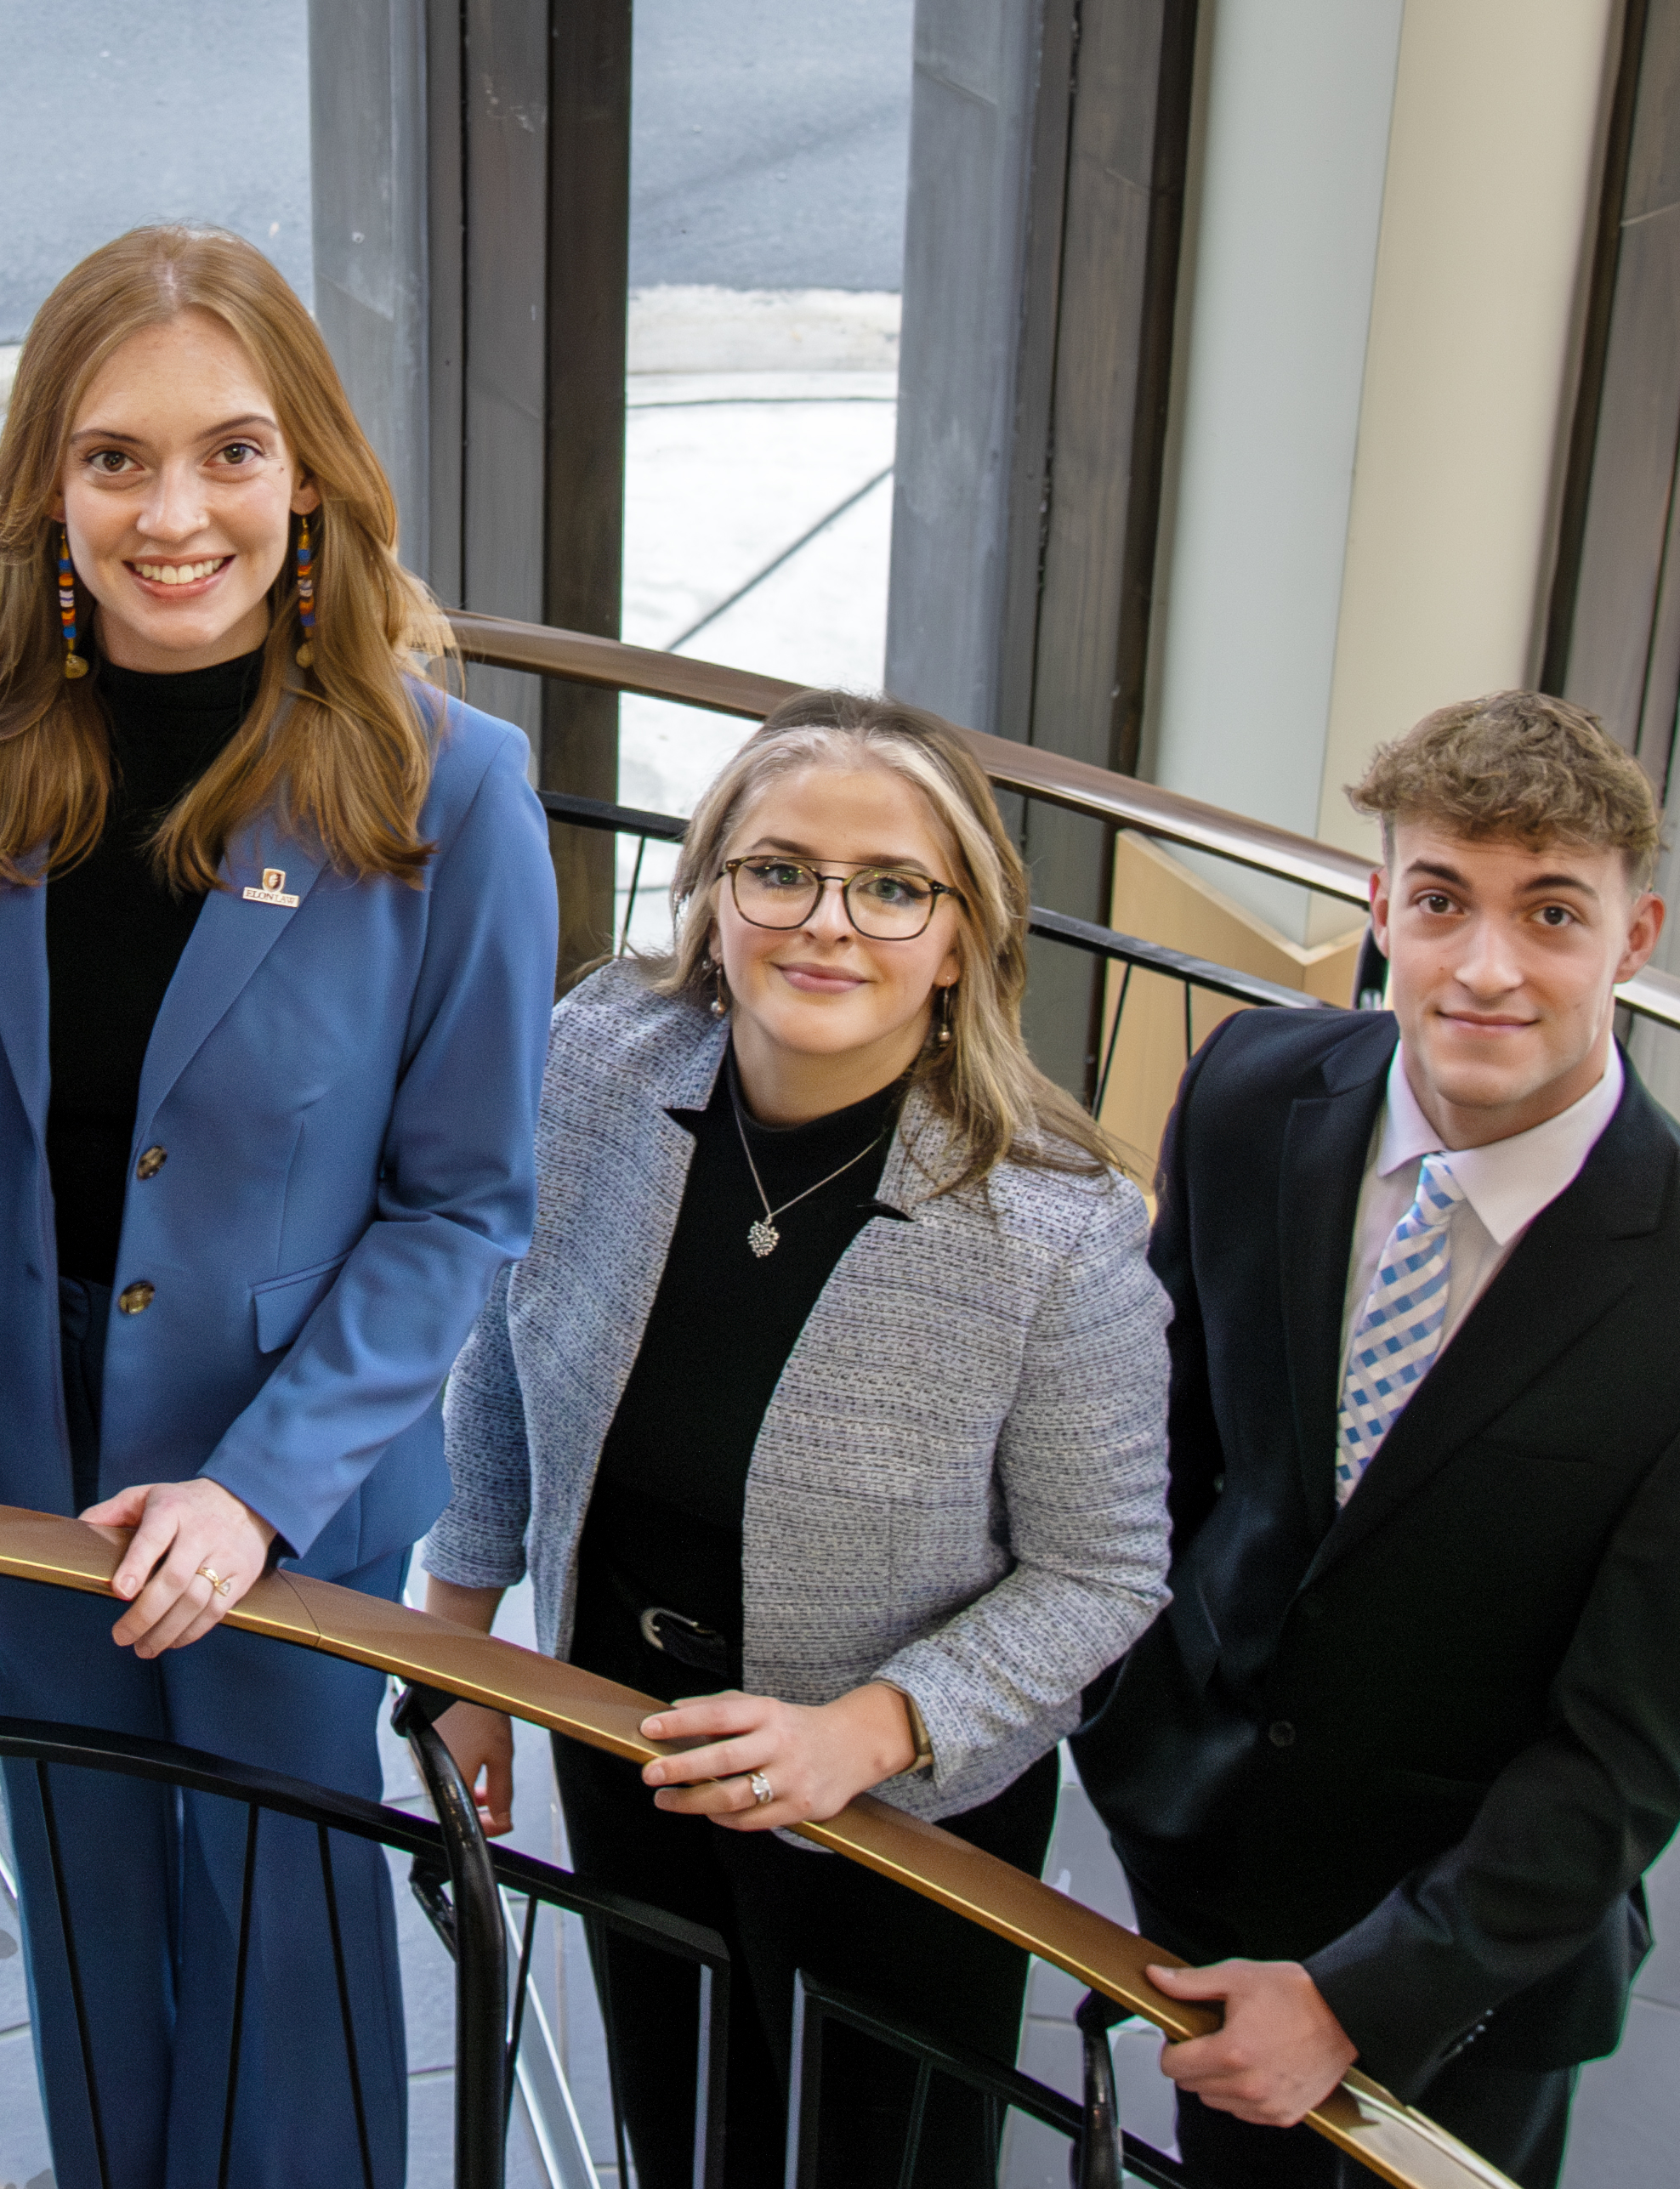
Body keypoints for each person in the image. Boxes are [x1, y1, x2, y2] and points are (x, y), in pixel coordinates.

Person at [0, 222, 557, 2189]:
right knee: (79, 1898)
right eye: (114, 456)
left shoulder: (448, 784)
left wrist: (257, 1486)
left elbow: (463, 1201)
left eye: (229, 451)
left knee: (283, 1915)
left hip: (285, 1470)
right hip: (0, 1443)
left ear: (306, 469)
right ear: (43, 484)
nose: (174, 514)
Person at [1073, 692, 1680, 2188]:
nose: (1487, 966)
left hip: (1467, 1978)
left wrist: (1361, 1997)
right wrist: (1128, 1711)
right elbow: (1155, 1450)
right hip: (1200, 1851)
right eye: (1441, 900)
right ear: (1381, 907)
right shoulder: (1247, 1093)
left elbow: (1622, 1761)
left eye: (1551, 912)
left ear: (1634, 935)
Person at [421, 689, 1171, 2189]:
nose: (828, 922)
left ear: (963, 938)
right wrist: (461, 1659)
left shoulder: (1059, 1226)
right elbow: (508, 1347)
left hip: (897, 1815)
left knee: (868, 2163)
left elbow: (1106, 1573)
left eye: (892, 887)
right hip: (627, 1728)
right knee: (676, 2119)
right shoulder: (599, 1058)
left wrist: (868, 1732)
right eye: (780, 870)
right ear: (711, 896)